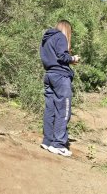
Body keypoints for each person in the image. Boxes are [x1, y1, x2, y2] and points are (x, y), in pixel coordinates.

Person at [39, 19, 80, 157]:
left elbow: (52, 57)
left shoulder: (46, 39)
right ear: (67, 29)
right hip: (61, 77)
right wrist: (73, 58)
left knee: (50, 109)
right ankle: (58, 144)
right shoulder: (61, 37)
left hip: (49, 75)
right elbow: (62, 56)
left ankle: (47, 140)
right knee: (64, 109)